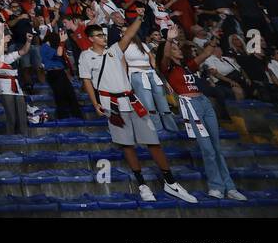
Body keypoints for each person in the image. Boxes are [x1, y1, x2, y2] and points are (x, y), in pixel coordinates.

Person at [78, 13, 197, 204]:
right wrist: (95, 103)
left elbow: (127, 35)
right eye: (99, 35)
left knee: (153, 141)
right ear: (91, 38)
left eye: (103, 34)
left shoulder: (114, 50)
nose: (103, 37)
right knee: (127, 145)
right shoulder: (85, 56)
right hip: (112, 104)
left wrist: (140, 17)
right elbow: (86, 81)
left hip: (132, 100)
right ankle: (142, 185)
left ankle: (170, 182)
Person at [159, 37, 246, 201]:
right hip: (190, 105)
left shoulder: (186, 66)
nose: (178, 50)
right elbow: (163, 55)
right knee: (207, 148)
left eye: (178, 47)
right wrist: (170, 40)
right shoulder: (167, 68)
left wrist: (213, 39)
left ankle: (230, 187)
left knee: (216, 147)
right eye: (175, 48)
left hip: (204, 102)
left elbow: (206, 54)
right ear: (169, 52)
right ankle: (215, 186)